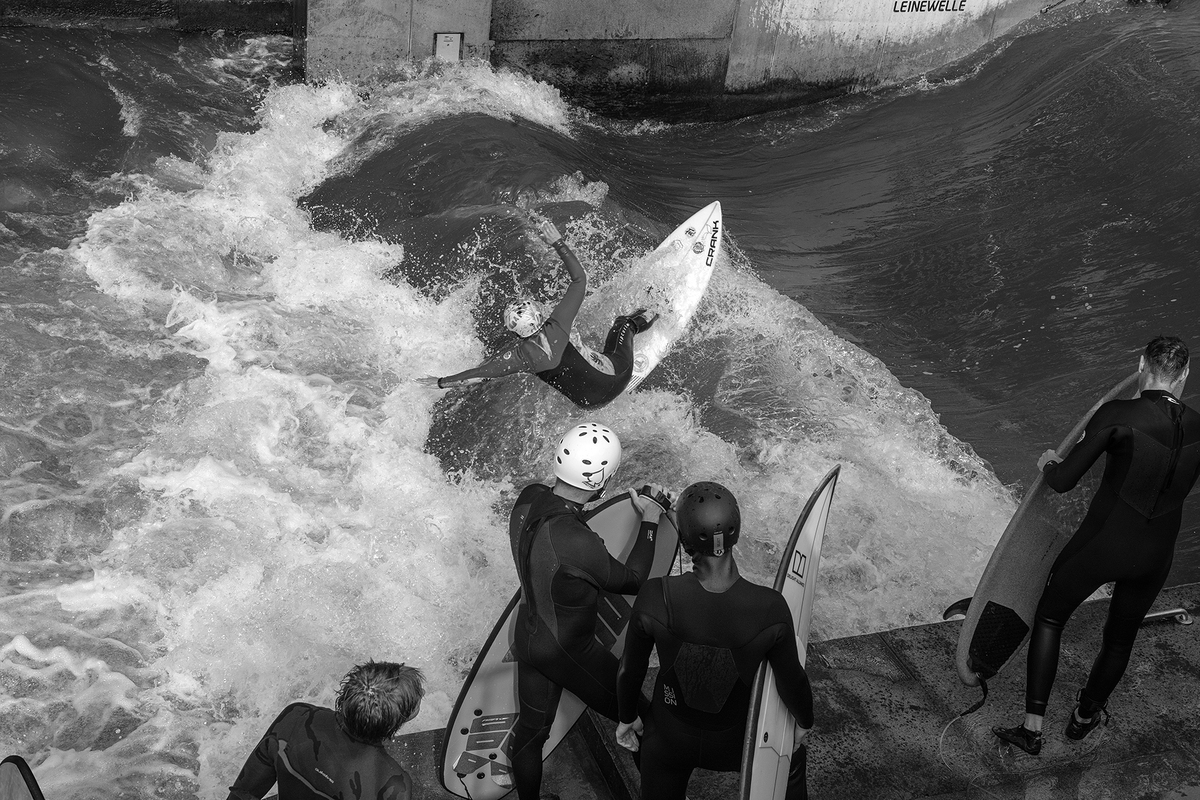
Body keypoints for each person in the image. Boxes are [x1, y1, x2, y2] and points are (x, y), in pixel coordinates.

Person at [993, 335, 1200, 755]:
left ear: (1141, 364)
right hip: (1156, 557)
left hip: (1103, 546)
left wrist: (1049, 462)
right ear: (1186, 374)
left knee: (1050, 618)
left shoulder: (1118, 414)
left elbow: (1065, 480)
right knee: (1119, 639)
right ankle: (1084, 717)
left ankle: (1033, 729)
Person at [615, 481, 814, 800]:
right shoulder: (770, 606)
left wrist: (627, 718)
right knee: (792, 757)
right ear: (735, 534)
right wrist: (804, 722)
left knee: (655, 753)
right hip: (739, 742)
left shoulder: (655, 596)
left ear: (683, 540)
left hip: (669, 739)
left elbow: (629, 670)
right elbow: (792, 680)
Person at [509, 421, 671, 800]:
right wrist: (649, 520)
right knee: (645, 721)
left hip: (529, 636)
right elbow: (632, 579)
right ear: (602, 479)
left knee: (531, 735)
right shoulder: (579, 543)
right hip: (569, 651)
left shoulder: (528, 497)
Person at [418, 219, 656, 408]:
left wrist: (440, 382)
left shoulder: (519, 358)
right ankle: (657, 308)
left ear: (515, 331)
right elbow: (579, 279)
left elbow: (477, 375)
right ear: (538, 316)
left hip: (590, 404)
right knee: (623, 325)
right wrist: (558, 243)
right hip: (617, 378)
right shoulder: (558, 324)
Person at [226, 660, 425, 800]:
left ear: (345, 695)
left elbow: (244, 792)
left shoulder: (296, 717)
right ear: (401, 719)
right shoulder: (391, 782)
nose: (422, 693)